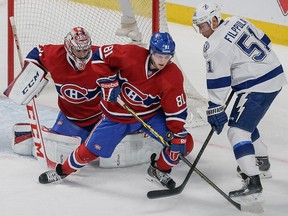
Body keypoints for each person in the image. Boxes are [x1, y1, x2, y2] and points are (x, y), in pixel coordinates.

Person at [38, 32, 194, 189]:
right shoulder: (130, 55)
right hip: (117, 117)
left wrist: (177, 134)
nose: (163, 61)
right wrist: (108, 81)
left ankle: (159, 170)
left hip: (149, 116)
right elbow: (99, 56)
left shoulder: (173, 75)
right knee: (89, 152)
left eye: (167, 57)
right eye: (160, 56)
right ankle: (61, 172)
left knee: (184, 144)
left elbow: (176, 110)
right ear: (151, 51)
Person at [5, 27, 158, 168]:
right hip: (70, 119)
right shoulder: (55, 55)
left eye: (86, 50)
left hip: (101, 118)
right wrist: (31, 74)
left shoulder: (100, 58)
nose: (83, 54)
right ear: (69, 48)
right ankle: (34, 134)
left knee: (104, 155)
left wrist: (116, 83)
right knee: (58, 151)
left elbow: (130, 65)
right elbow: (37, 53)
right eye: (79, 51)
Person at [192, 2, 287, 201]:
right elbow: (265, 40)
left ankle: (253, 183)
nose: (201, 31)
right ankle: (261, 162)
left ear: (215, 20)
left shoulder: (215, 46)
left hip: (257, 86)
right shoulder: (237, 20)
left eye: (203, 26)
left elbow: (218, 81)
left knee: (237, 131)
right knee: (246, 123)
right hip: (274, 74)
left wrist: (215, 107)